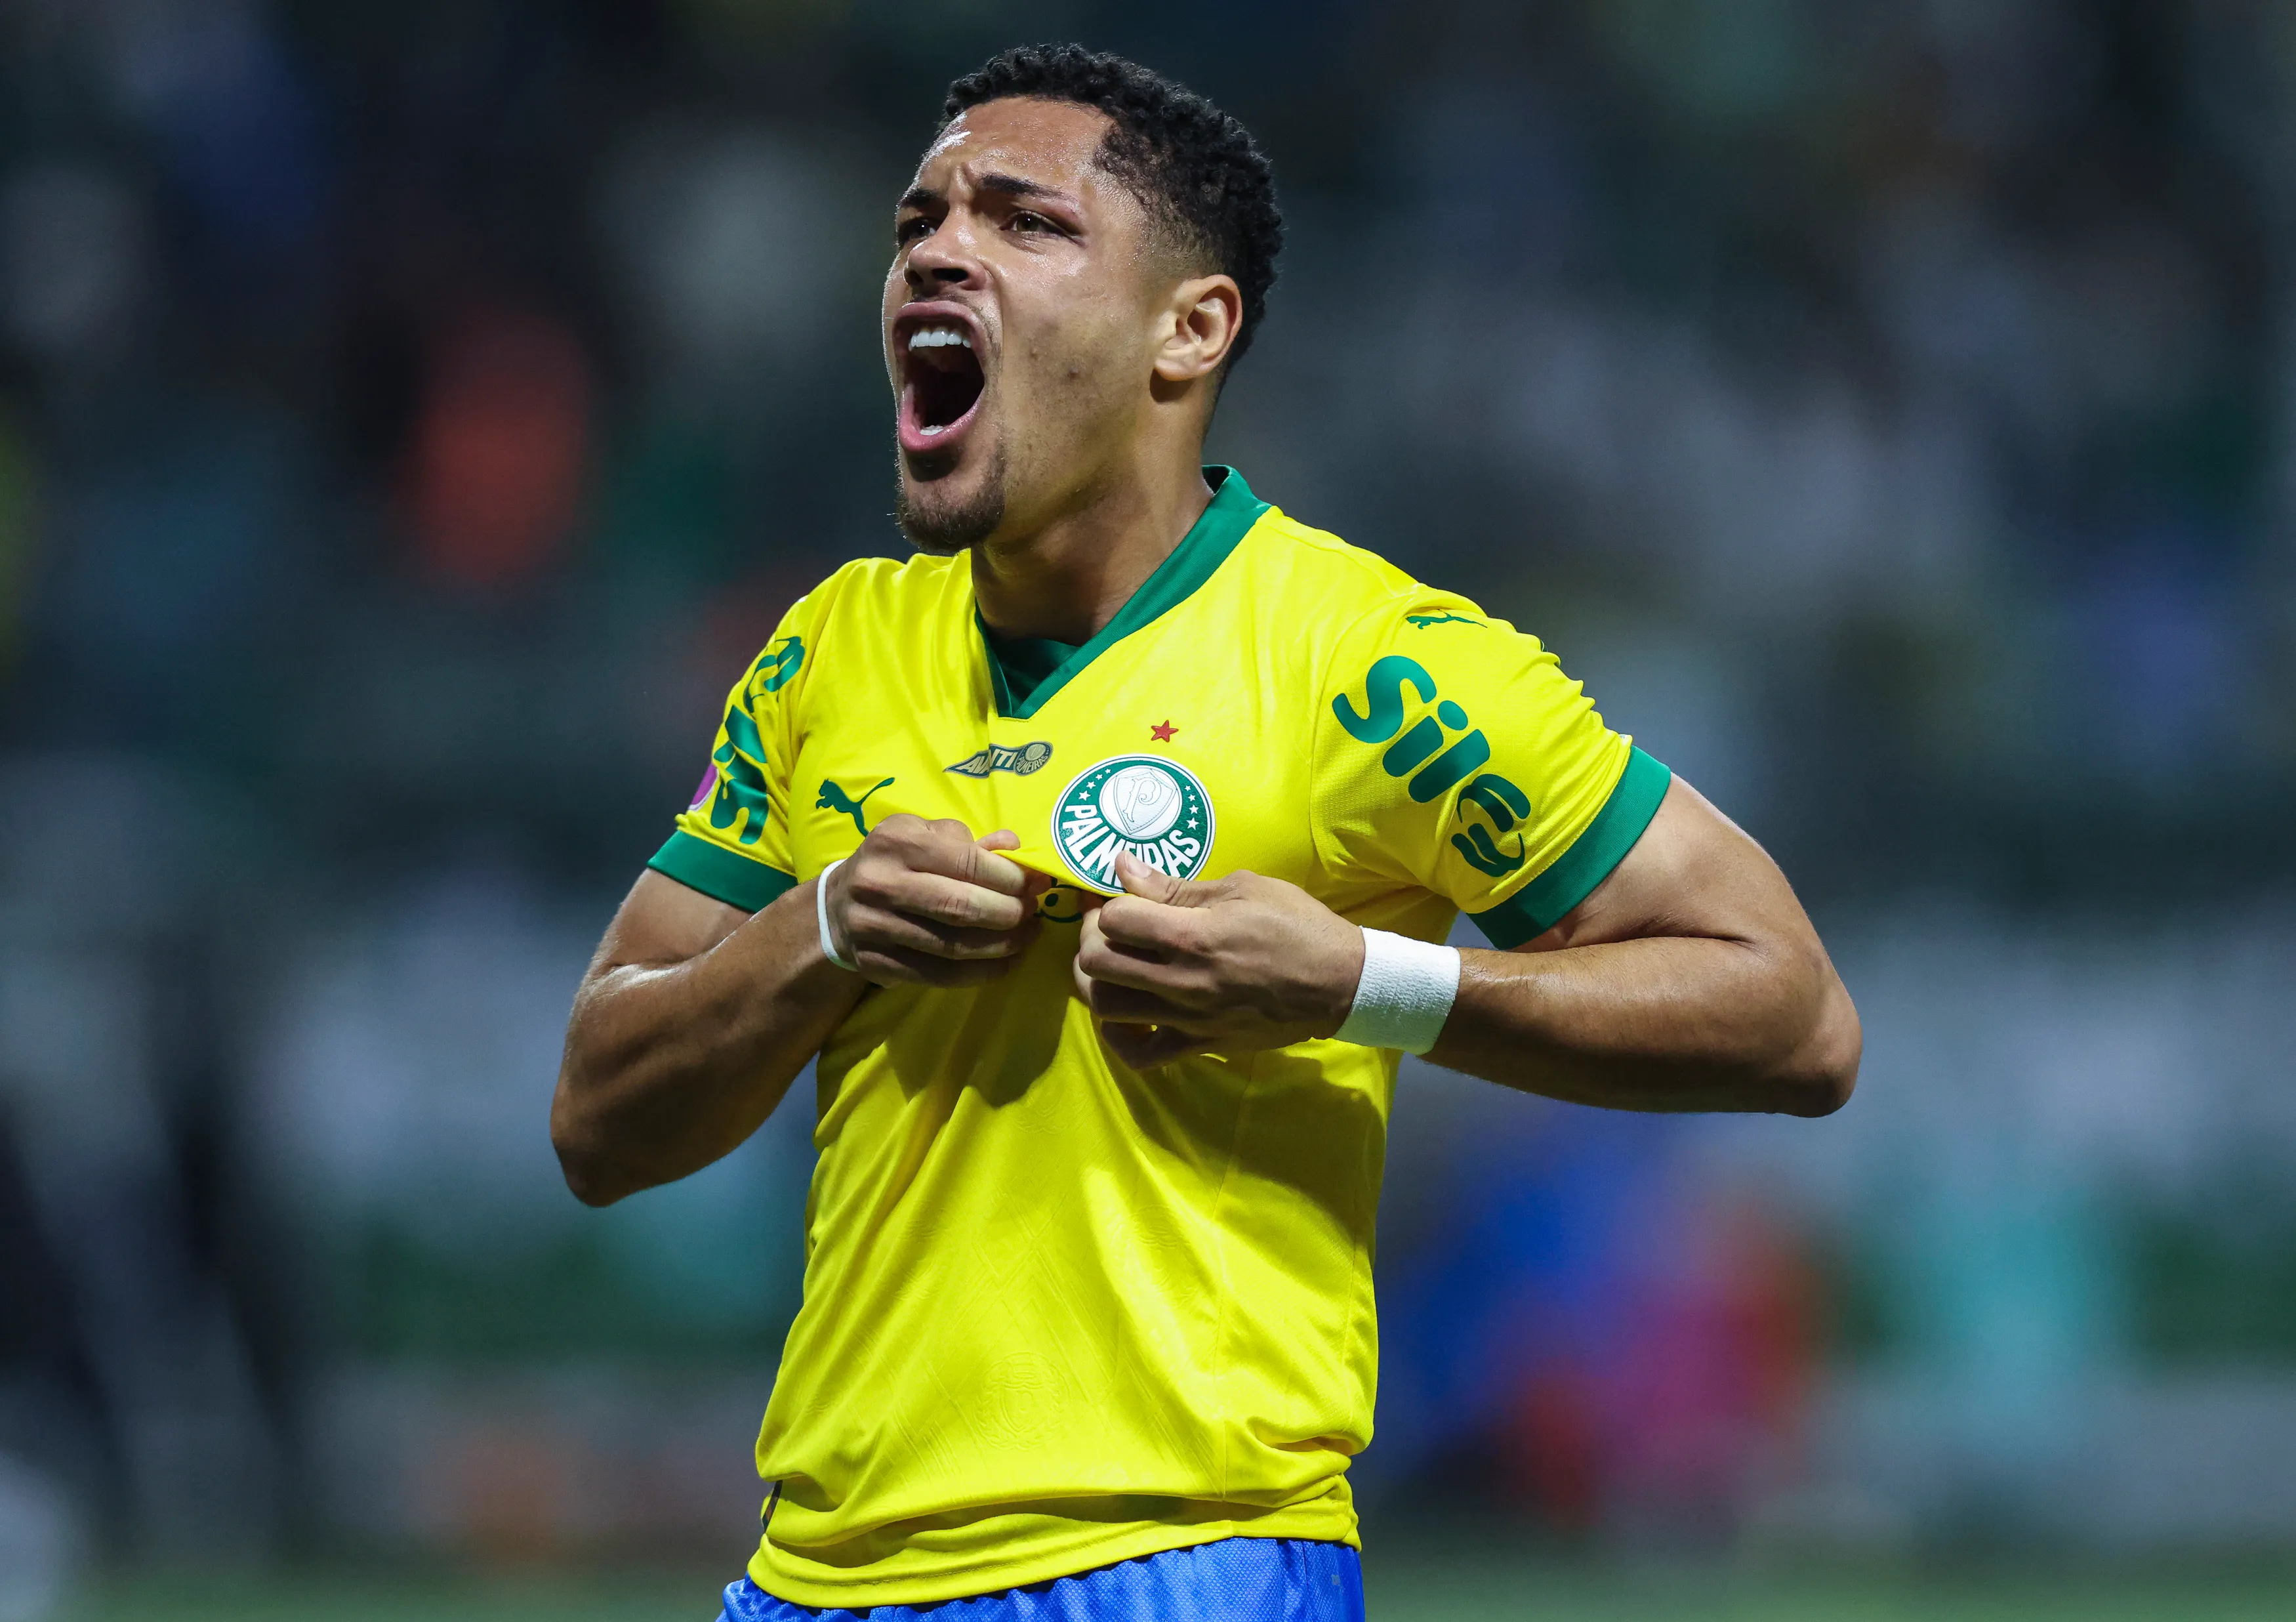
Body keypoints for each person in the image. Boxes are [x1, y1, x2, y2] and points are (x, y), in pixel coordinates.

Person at [552, 43, 1860, 1622]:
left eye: (1024, 221)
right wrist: (814, 930)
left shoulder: (1371, 666)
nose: (938, 249)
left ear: (1192, 329)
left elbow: (1793, 1011)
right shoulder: (830, 649)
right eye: (919, 220)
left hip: (1180, 1569)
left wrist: (1353, 983)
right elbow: (599, 1118)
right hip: (808, 1579)